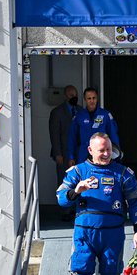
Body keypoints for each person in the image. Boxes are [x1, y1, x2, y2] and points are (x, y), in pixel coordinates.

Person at [57, 132, 137, 275]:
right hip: (84, 235)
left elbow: (135, 202)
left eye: (108, 149)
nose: (106, 154)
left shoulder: (123, 173)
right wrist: (75, 191)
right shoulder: (78, 171)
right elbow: (60, 198)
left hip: (112, 236)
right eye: (101, 150)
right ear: (90, 150)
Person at [49, 85, 82, 221]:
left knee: (79, 180)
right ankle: (65, 210)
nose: (73, 97)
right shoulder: (57, 112)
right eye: (70, 95)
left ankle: (77, 209)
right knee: (64, 180)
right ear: (65, 96)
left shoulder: (81, 111)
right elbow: (54, 135)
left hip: (79, 153)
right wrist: (57, 154)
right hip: (63, 153)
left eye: (75, 94)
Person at [67, 87, 120, 167]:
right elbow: (72, 138)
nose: (92, 101)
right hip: (83, 154)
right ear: (85, 99)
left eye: (94, 98)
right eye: (89, 98)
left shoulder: (105, 115)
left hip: (102, 153)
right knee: (84, 176)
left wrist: (116, 154)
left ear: (97, 98)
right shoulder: (79, 116)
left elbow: (113, 135)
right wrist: (71, 156)